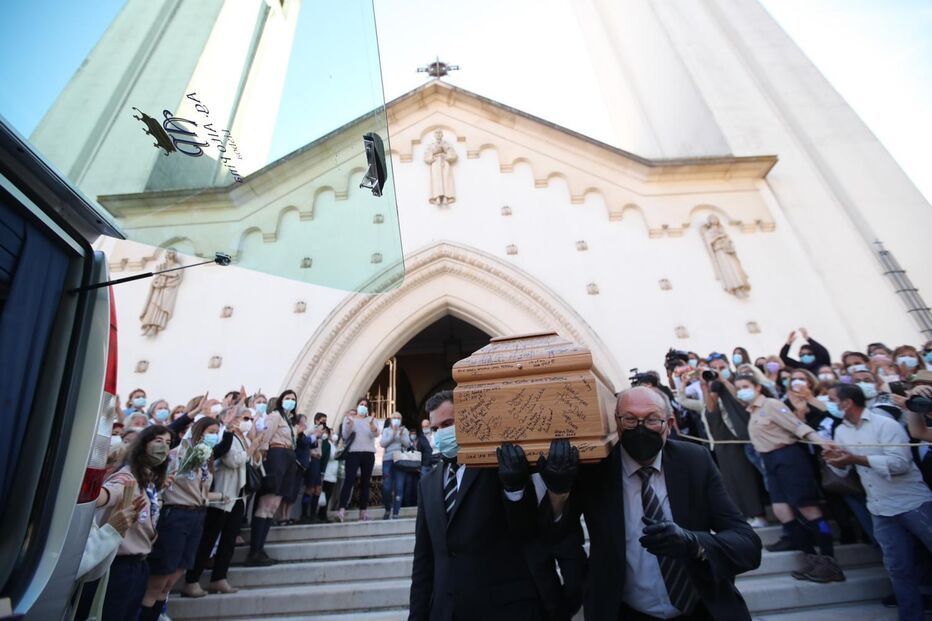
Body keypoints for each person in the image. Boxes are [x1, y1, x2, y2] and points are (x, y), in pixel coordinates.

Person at [537, 386, 761, 620]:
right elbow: (554, 533)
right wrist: (558, 491)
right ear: (617, 422)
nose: (641, 428)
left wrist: (694, 544)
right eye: (630, 419)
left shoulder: (695, 461)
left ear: (669, 423)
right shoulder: (595, 469)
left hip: (702, 608)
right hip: (626, 611)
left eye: (652, 419)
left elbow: (747, 542)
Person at [408, 390, 549, 620]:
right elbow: (424, 560)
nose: (441, 433)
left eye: (448, 423)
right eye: (435, 429)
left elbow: (526, 528)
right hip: (446, 612)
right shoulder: (427, 483)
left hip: (500, 610)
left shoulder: (498, 467)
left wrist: (514, 487)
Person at [824, 384, 932, 621]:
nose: (827, 402)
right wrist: (834, 460)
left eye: (831, 398)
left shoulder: (885, 425)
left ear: (847, 402)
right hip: (880, 509)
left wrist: (855, 458)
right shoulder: (841, 430)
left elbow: (899, 464)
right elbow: (844, 470)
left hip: (913, 503)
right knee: (897, 569)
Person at [734, 373, 844, 582]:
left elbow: (796, 425)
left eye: (746, 385)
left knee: (808, 508)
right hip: (770, 461)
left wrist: (820, 441)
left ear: (757, 388)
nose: (742, 390)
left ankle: (829, 560)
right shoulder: (752, 410)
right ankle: (811, 559)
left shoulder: (771, 404)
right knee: (782, 511)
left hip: (788, 458)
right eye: (738, 387)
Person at [143, 417, 225, 619]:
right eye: (210, 431)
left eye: (217, 432)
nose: (214, 436)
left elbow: (202, 489)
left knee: (173, 577)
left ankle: (158, 612)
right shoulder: (178, 454)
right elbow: (159, 480)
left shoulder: (206, 459)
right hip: (177, 514)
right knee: (159, 578)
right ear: (199, 432)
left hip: (197, 514)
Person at [99, 425, 172, 621]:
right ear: (143, 445)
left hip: (139, 563)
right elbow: (109, 493)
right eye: (158, 441)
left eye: (168, 443)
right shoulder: (127, 477)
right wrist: (96, 494)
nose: (163, 447)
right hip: (119, 565)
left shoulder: (147, 481)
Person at [183, 407, 254, 596]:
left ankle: (219, 578)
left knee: (228, 540)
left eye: (249, 418)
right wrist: (246, 447)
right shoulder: (221, 436)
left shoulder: (240, 437)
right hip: (221, 494)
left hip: (236, 495)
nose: (246, 421)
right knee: (208, 539)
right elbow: (230, 460)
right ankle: (192, 580)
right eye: (243, 417)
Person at [249, 389, 300, 565]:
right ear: (280, 400)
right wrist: (263, 456)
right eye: (287, 398)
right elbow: (266, 439)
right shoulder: (275, 416)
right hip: (276, 455)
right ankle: (254, 550)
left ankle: (261, 548)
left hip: (288, 456)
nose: (291, 401)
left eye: (293, 399)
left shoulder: (289, 420)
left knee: (273, 505)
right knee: (266, 503)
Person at [337, 398, 379, 522]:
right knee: (349, 480)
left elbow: (376, 434)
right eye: (361, 404)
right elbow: (345, 435)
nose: (363, 406)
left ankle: (363, 512)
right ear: (357, 406)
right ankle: (341, 510)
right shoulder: (350, 418)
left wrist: (371, 424)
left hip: (368, 453)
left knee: (365, 483)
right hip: (353, 453)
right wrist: (349, 422)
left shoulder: (371, 420)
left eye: (365, 405)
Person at [380, 411, 412, 519]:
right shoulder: (386, 430)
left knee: (399, 486)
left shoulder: (404, 430)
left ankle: (396, 512)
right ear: (391, 419)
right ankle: (388, 509)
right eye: (395, 418)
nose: (397, 420)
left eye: (399, 418)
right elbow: (383, 443)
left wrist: (402, 435)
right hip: (388, 460)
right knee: (387, 486)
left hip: (400, 460)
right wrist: (393, 434)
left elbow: (408, 444)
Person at [301, 412, 327, 523]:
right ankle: (304, 514)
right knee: (310, 488)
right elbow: (306, 442)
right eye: (322, 420)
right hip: (312, 460)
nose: (324, 423)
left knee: (317, 489)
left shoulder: (323, 433)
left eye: (325, 420)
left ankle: (313, 514)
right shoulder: (311, 431)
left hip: (318, 460)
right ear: (316, 421)